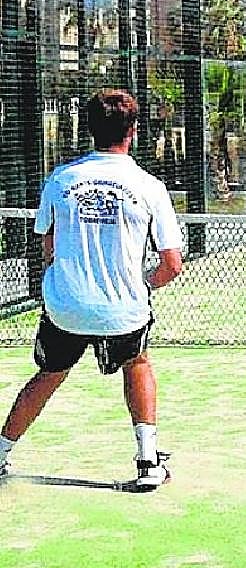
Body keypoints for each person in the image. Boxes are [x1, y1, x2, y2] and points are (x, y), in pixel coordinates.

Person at [0, 89, 184, 489]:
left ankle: (1, 452)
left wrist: (69, 281)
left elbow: (47, 245)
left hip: (65, 307)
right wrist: (141, 285)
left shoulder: (61, 179)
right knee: (137, 365)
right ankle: (148, 462)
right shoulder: (149, 185)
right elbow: (172, 265)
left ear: (90, 129)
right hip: (124, 310)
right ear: (133, 131)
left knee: (49, 374)